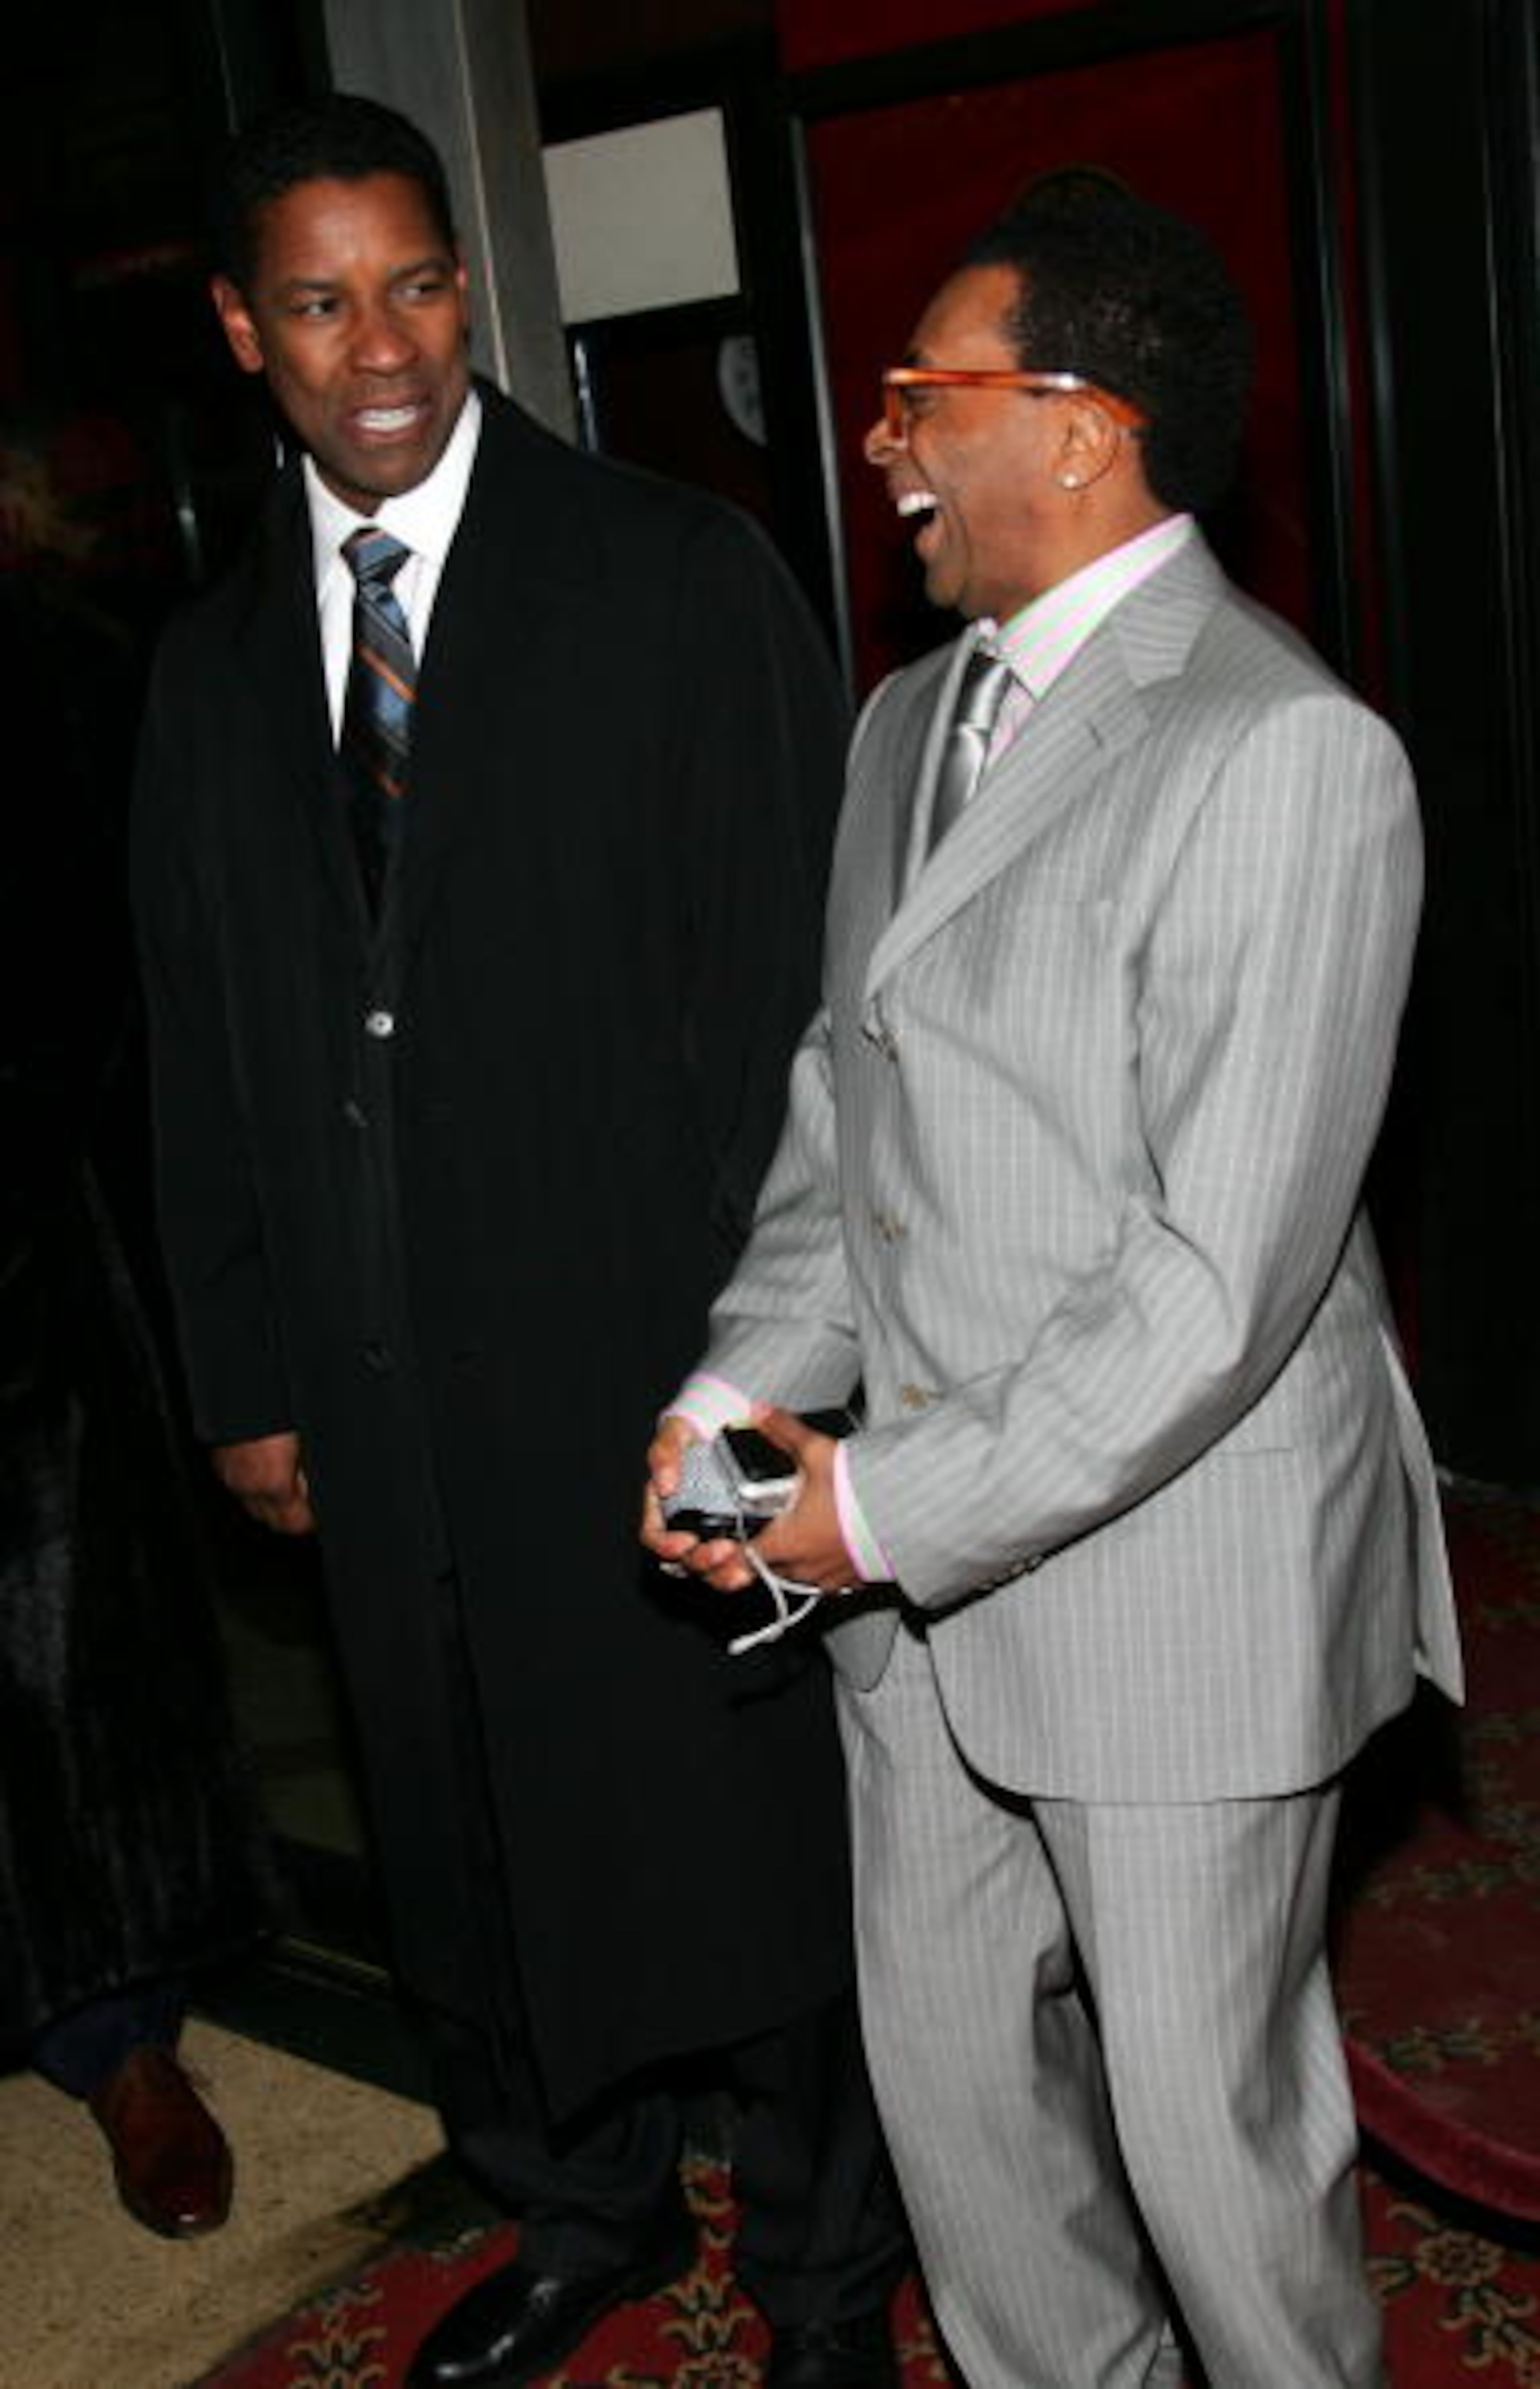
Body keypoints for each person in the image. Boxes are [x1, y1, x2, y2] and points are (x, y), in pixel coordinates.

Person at [645, 172, 1463, 2387]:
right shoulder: (903, 723)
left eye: (925, 392)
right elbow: (849, 1109)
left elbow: (1219, 1279)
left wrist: (879, 1509)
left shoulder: (1285, 750)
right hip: (915, 1604)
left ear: (1084, 427)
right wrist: (738, 1392)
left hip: (1177, 1583)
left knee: (1214, 2164)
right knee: (971, 2140)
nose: (881, 437)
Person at [132, 92, 902, 2389]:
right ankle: (580, 2208)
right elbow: (200, 1046)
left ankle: (826, 2276)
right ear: (240, 330)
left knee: (745, 1842)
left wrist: (775, 1374)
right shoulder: (206, 667)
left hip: (668, 1364)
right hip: (374, 1392)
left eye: (417, 284)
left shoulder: (671, 575)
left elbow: (802, 1020)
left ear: (467, 284)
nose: (380, 345)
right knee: (461, 1822)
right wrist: (245, 1369)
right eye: (319, 301)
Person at [2, 416, 267, 2238]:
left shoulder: (63, 670)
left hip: (22, 1248)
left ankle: (121, 2043)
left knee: (63, 1655)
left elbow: (115, 975)